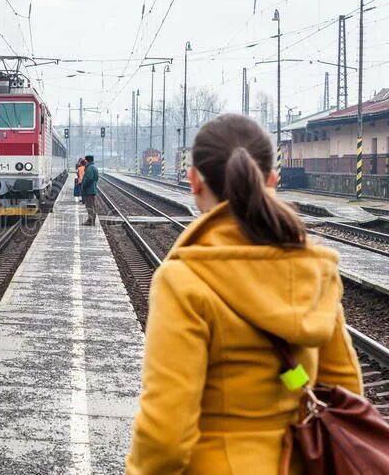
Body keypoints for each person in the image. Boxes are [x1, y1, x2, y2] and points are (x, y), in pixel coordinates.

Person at [126, 114, 362, 475]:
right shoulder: (313, 270)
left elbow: (166, 437)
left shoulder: (184, 280)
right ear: (273, 179)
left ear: (193, 181)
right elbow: (344, 389)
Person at [81, 155, 98, 225]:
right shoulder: (94, 167)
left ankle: (90, 221)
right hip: (92, 189)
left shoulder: (90, 168)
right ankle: (92, 220)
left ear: (87, 161)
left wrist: (83, 185)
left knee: (89, 206)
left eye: (85, 161)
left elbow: (88, 179)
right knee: (92, 205)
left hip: (89, 190)